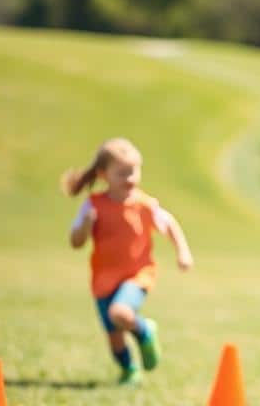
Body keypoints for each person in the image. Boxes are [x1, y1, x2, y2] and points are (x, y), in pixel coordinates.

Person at [63, 138, 194, 385]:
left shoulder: (145, 205)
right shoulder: (93, 206)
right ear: (103, 174)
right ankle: (129, 370)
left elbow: (170, 225)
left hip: (138, 274)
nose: (130, 178)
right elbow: (75, 241)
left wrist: (183, 251)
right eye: (122, 173)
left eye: (134, 171)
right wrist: (87, 226)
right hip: (103, 279)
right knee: (114, 336)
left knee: (119, 313)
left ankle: (145, 331)